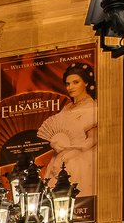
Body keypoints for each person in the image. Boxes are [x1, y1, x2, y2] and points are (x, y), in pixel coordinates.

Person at [38, 62, 98, 196]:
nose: (71, 87)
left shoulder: (91, 108)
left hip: (81, 158)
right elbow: (60, 130)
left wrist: (72, 151)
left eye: (75, 82)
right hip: (60, 157)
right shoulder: (67, 108)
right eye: (68, 83)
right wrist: (56, 144)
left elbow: (93, 138)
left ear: (86, 83)